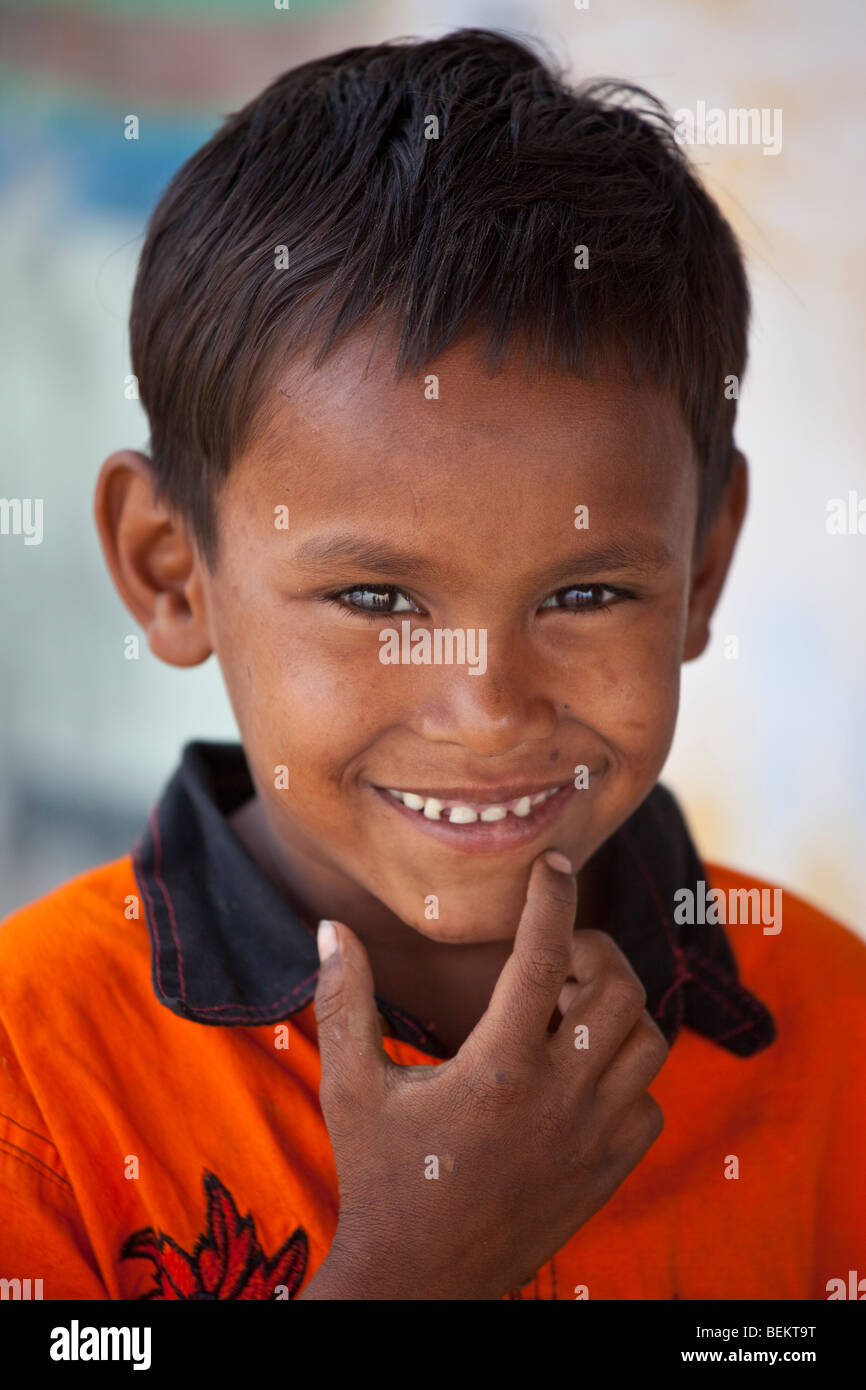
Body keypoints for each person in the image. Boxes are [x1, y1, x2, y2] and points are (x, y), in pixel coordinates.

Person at [1, 28, 864, 1301]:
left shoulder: (830, 1037)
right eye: (374, 597)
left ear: (701, 567)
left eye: (583, 592)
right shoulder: (38, 1078)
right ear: (170, 569)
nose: (488, 708)